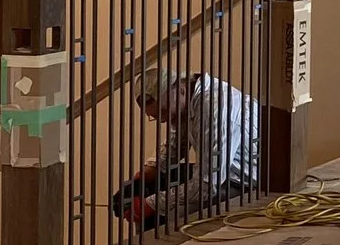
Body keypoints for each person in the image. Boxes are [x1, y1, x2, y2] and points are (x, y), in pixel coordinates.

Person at [109, 69, 260, 231]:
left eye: (165, 112)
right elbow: (175, 145)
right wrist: (145, 175)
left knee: (170, 219)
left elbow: (207, 186)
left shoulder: (213, 107)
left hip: (240, 182)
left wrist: (151, 204)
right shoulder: (186, 100)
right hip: (219, 175)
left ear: (180, 89)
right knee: (149, 190)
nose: (163, 121)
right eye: (156, 117)